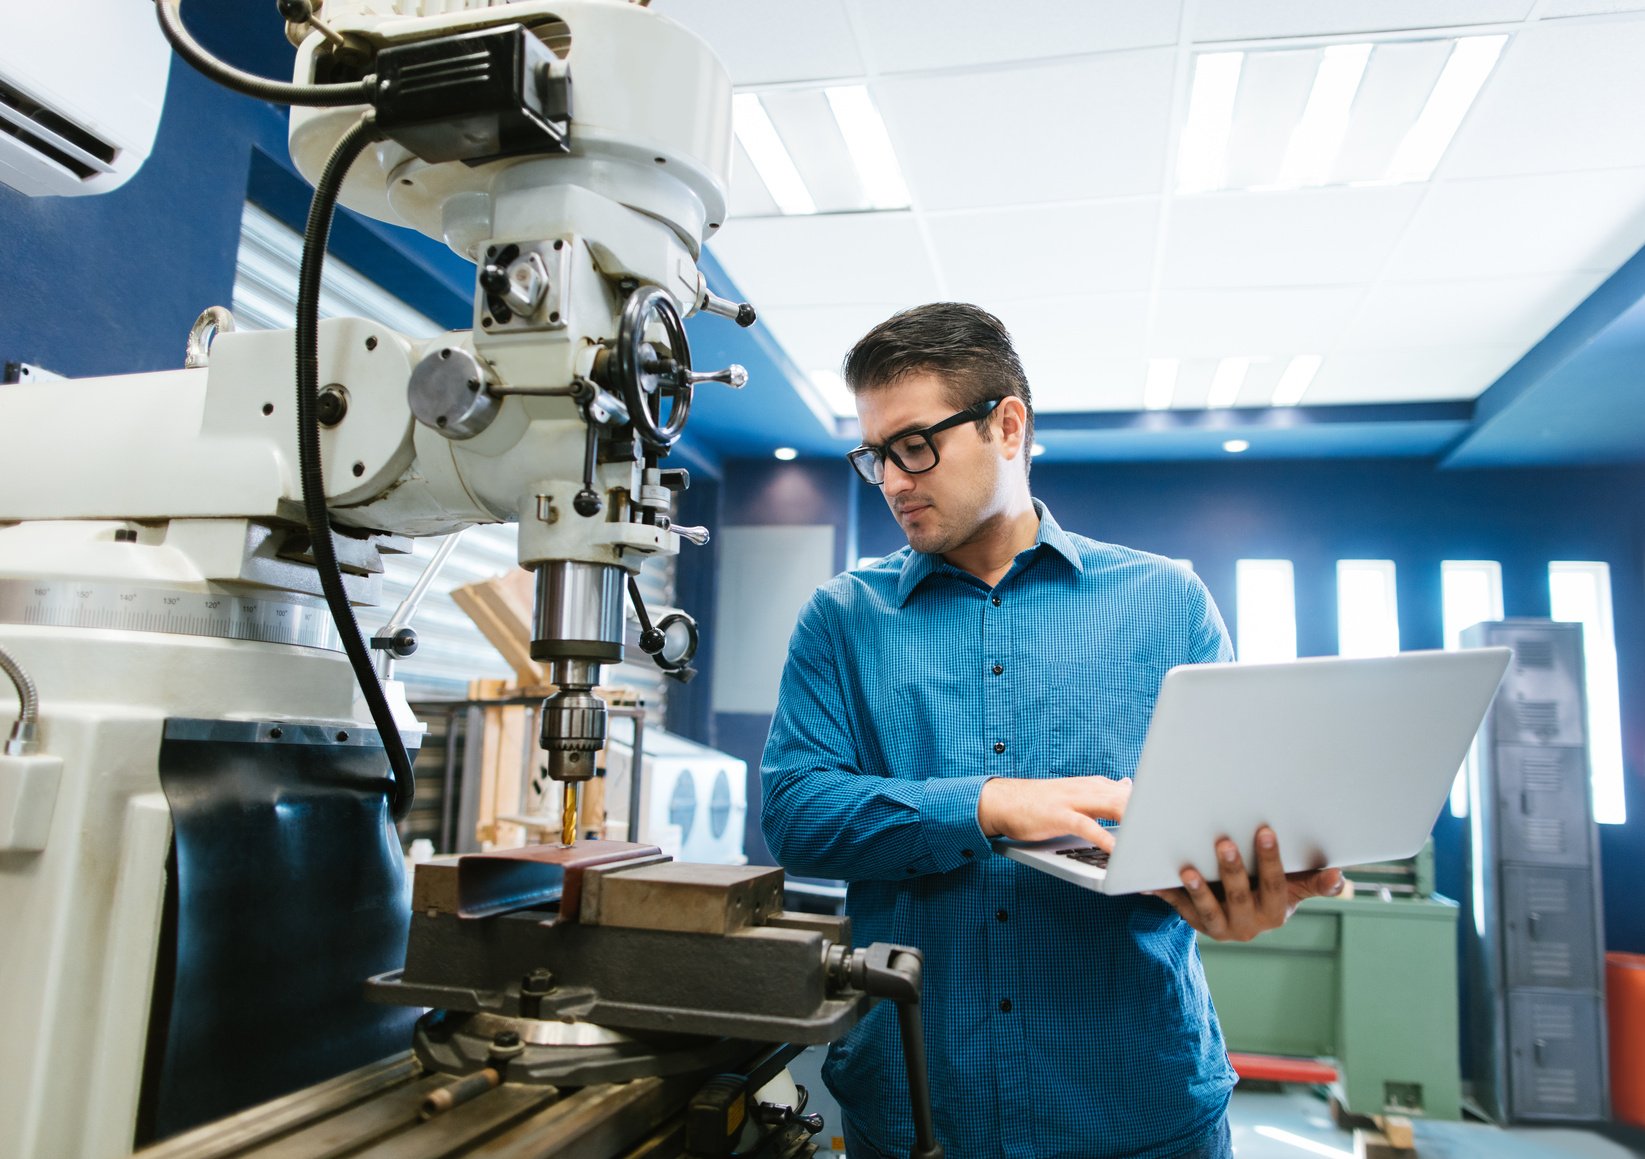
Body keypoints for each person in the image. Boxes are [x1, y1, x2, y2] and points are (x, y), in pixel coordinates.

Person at [760, 303, 1344, 1159]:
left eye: (914, 445)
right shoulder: (842, 618)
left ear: (1006, 425)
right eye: (874, 454)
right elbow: (796, 813)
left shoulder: (1166, 602)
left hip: (1136, 1110)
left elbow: (1225, 818)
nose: (890, 479)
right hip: (918, 1111)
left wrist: (1239, 897)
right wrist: (989, 806)